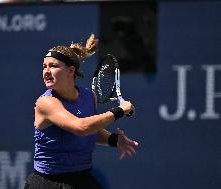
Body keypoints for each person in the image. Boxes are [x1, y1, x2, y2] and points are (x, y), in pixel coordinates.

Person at [24, 34, 139, 189]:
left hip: (83, 178)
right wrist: (119, 111)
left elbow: (92, 129)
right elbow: (81, 127)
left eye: (53, 66)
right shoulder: (46, 103)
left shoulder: (88, 97)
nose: (46, 71)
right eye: (44, 66)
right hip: (49, 183)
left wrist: (113, 139)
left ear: (71, 71)